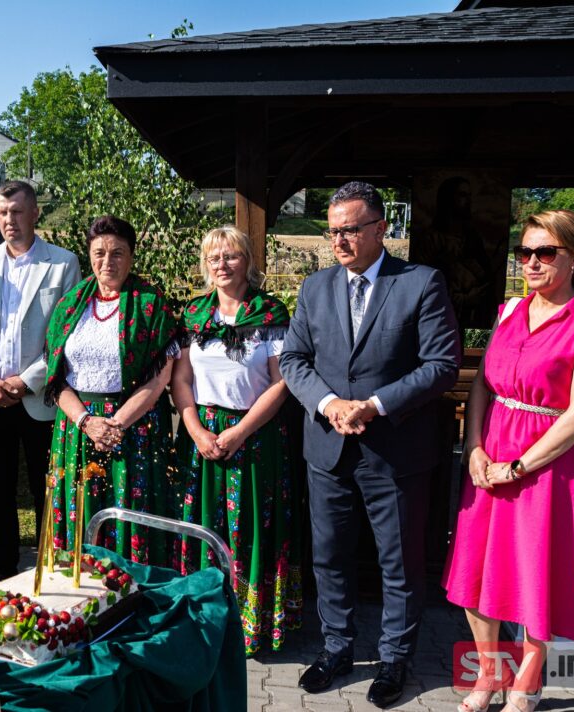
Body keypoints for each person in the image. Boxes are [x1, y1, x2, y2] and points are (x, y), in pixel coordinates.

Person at [280, 181, 461, 707]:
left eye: (350, 230)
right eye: (333, 230)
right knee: (330, 556)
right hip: (328, 448)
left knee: (398, 563)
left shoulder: (421, 283)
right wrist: (327, 403)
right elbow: (294, 360)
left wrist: (375, 405)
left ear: (382, 229)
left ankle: (395, 660)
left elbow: (441, 366)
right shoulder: (315, 288)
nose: (339, 240)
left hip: (395, 450)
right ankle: (336, 648)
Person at [443, 210, 574, 712]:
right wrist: (474, 446)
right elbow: (482, 384)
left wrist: (518, 466)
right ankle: (488, 675)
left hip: (548, 463)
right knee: (476, 572)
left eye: (546, 253)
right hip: (491, 448)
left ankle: (527, 682)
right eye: (525, 252)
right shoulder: (509, 313)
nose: (532, 263)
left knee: (534, 573)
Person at [171, 226, 301, 656]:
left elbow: (281, 384)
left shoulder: (270, 314)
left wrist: (240, 431)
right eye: (213, 258)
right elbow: (182, 379)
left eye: (230, 256)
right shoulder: (194, 316)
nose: (221, 265)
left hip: (256, 437)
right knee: (205, 523)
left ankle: (252, 623)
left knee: (250, 528)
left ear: (247, 261)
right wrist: (194, 429)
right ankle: (203, 616)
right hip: (202, 436)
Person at [0, 180, 80, 583]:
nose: (9, 220)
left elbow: (66, 334)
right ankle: (5, 567)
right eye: (2, 212)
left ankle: (50, 566)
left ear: (35, 213)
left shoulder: (62, 263)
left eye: (17, 211)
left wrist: (26, 382)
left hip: (39, 398)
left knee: (46, 490)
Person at [44, 215, 180, 565]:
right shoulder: (70, 305)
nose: (108, 261)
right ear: (88, 255)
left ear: (132, 256)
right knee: (80, 515)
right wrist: (88, 422)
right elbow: (56, 378)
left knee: (128, 514)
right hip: (78, 430)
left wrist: (115, 425)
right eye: (99, 252)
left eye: (118, 253)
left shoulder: (152, 305)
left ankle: (134, 599)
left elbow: (159, 378)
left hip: (134, 431)